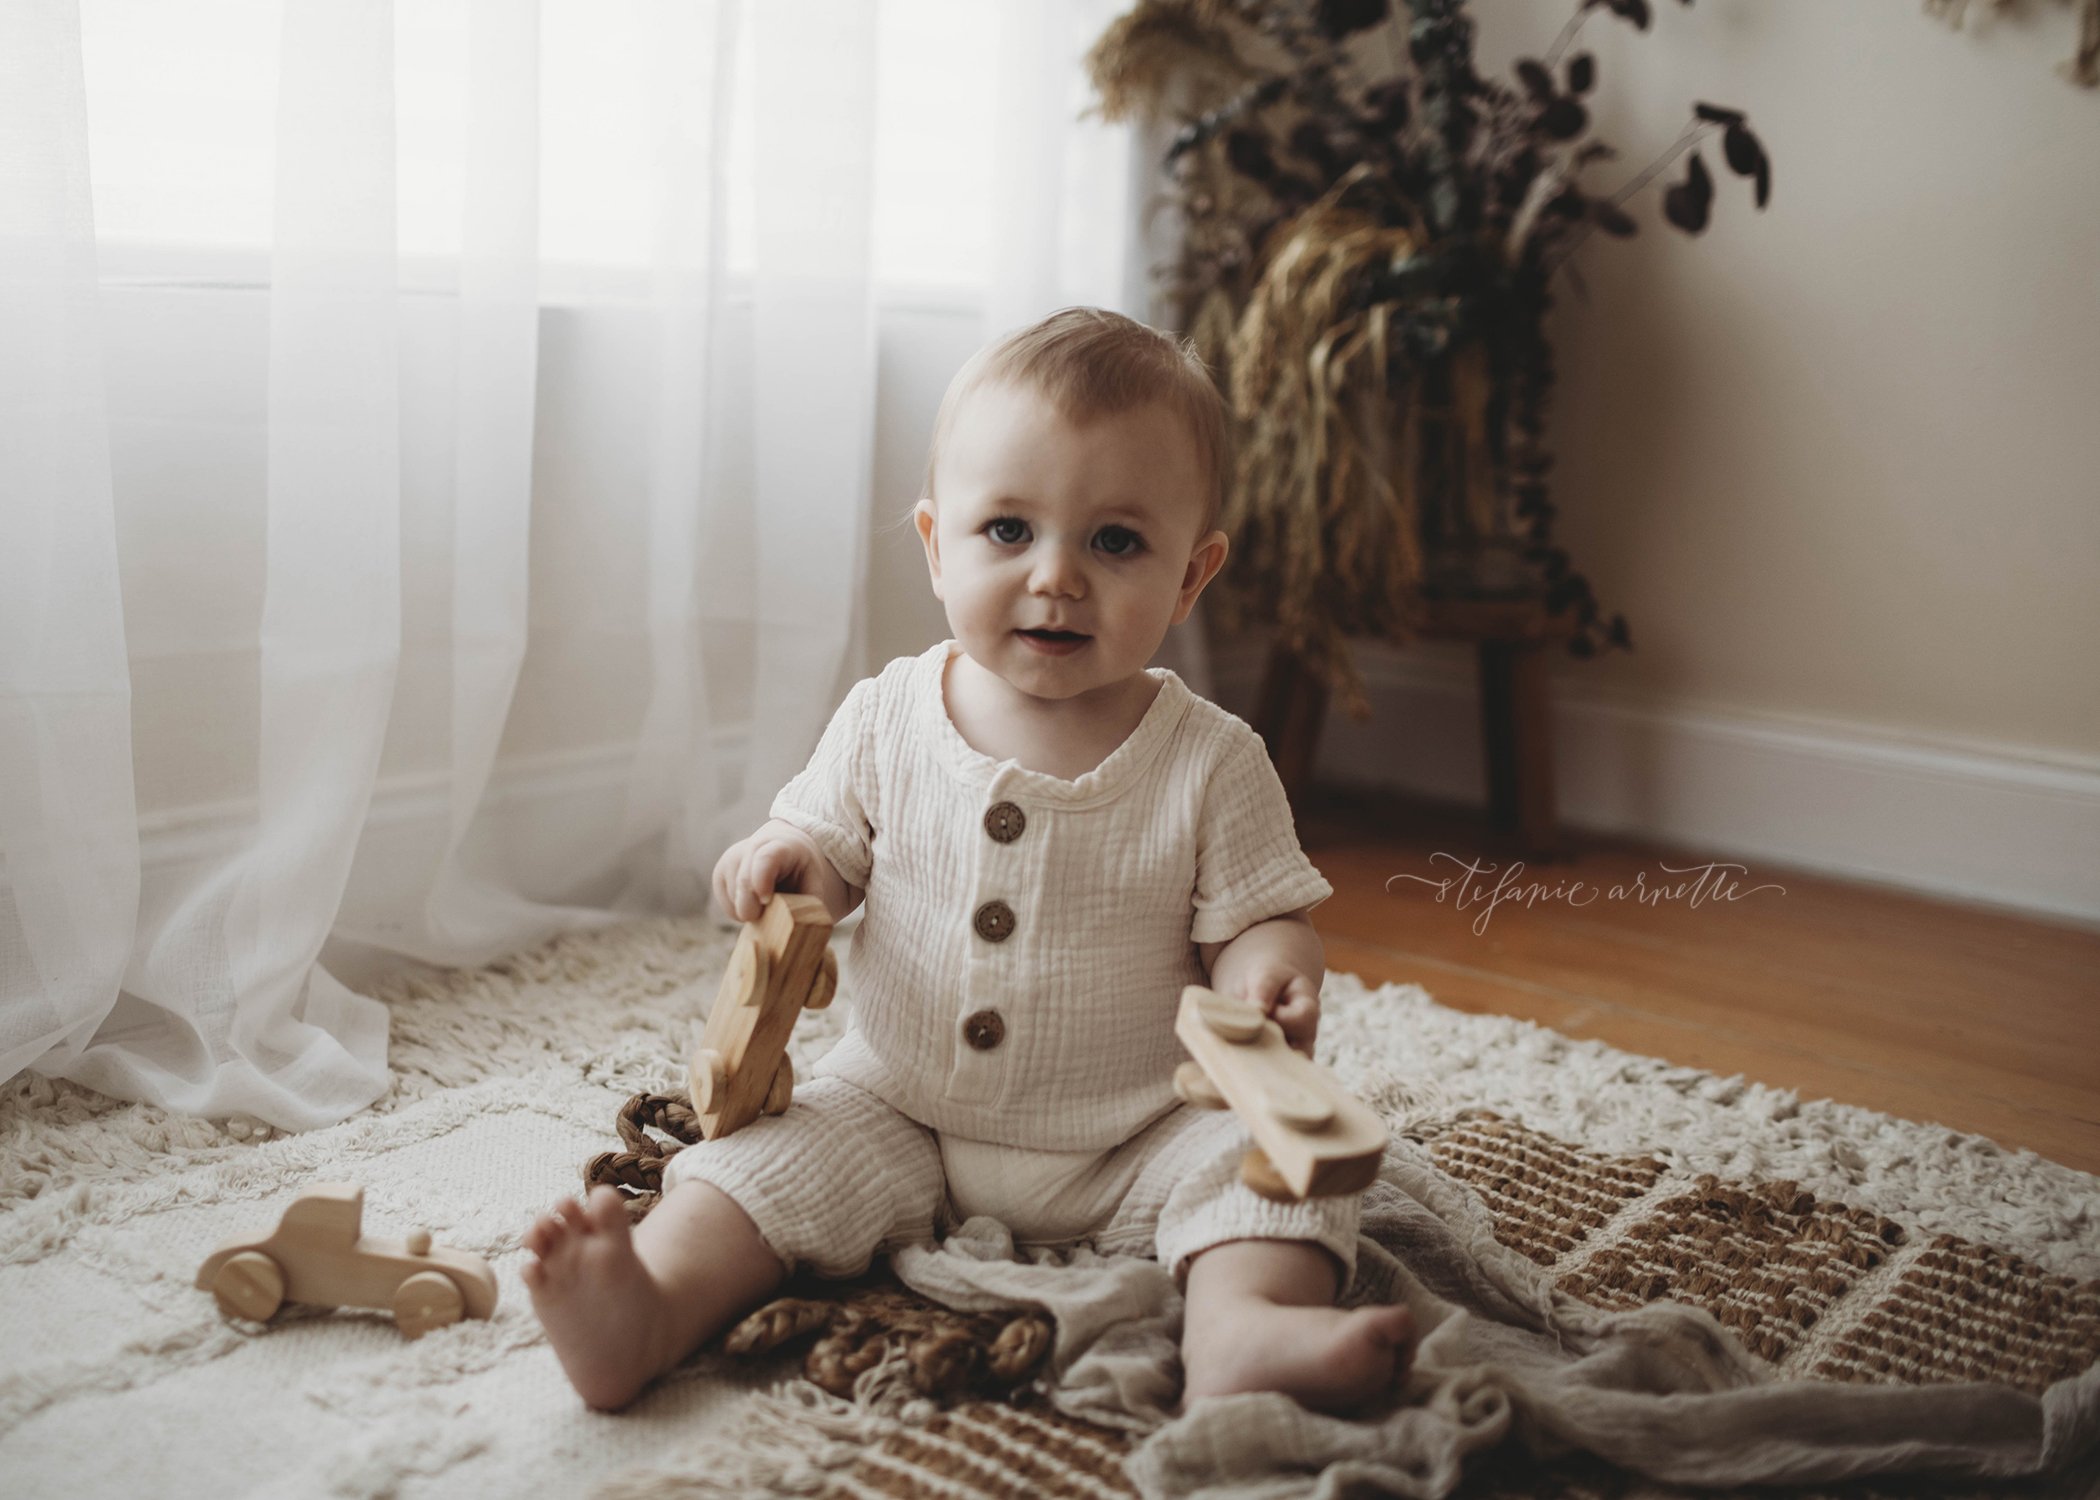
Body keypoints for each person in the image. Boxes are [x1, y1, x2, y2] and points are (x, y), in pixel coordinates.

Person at [522, 307, 1415, 1413]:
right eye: (1008, 532)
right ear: (937, 544)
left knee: (1270, 1171)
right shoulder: (889, 713)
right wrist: (783, 860)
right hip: (898, 1103)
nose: (1057, 578)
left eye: (1116, 542)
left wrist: (1270, 977)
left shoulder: (1211, 759)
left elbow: (1255, 918)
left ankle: (1242, 1329)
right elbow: (827, 854)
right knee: (751, 1168)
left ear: (1192, 576)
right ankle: (645, 1305)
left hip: (1134, 1128)